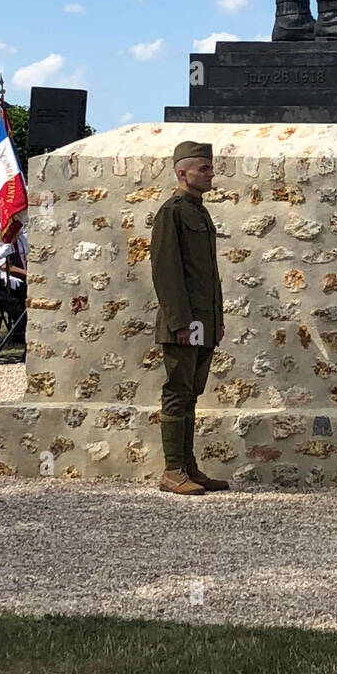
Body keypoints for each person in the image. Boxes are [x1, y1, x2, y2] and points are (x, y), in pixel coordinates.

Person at [150, 141, 229, 494]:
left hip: (203, 321)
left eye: (210, 168)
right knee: (177, 391)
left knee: (192, 393)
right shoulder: (174, 212)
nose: (211, 174)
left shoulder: (200, 211)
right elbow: (167, 272)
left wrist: (217, 318)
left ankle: (188, 465)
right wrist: (179, 322)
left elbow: (207, 273)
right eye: (204, 169)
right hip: (184, 322)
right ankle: (172, 471)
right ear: (183, 173)